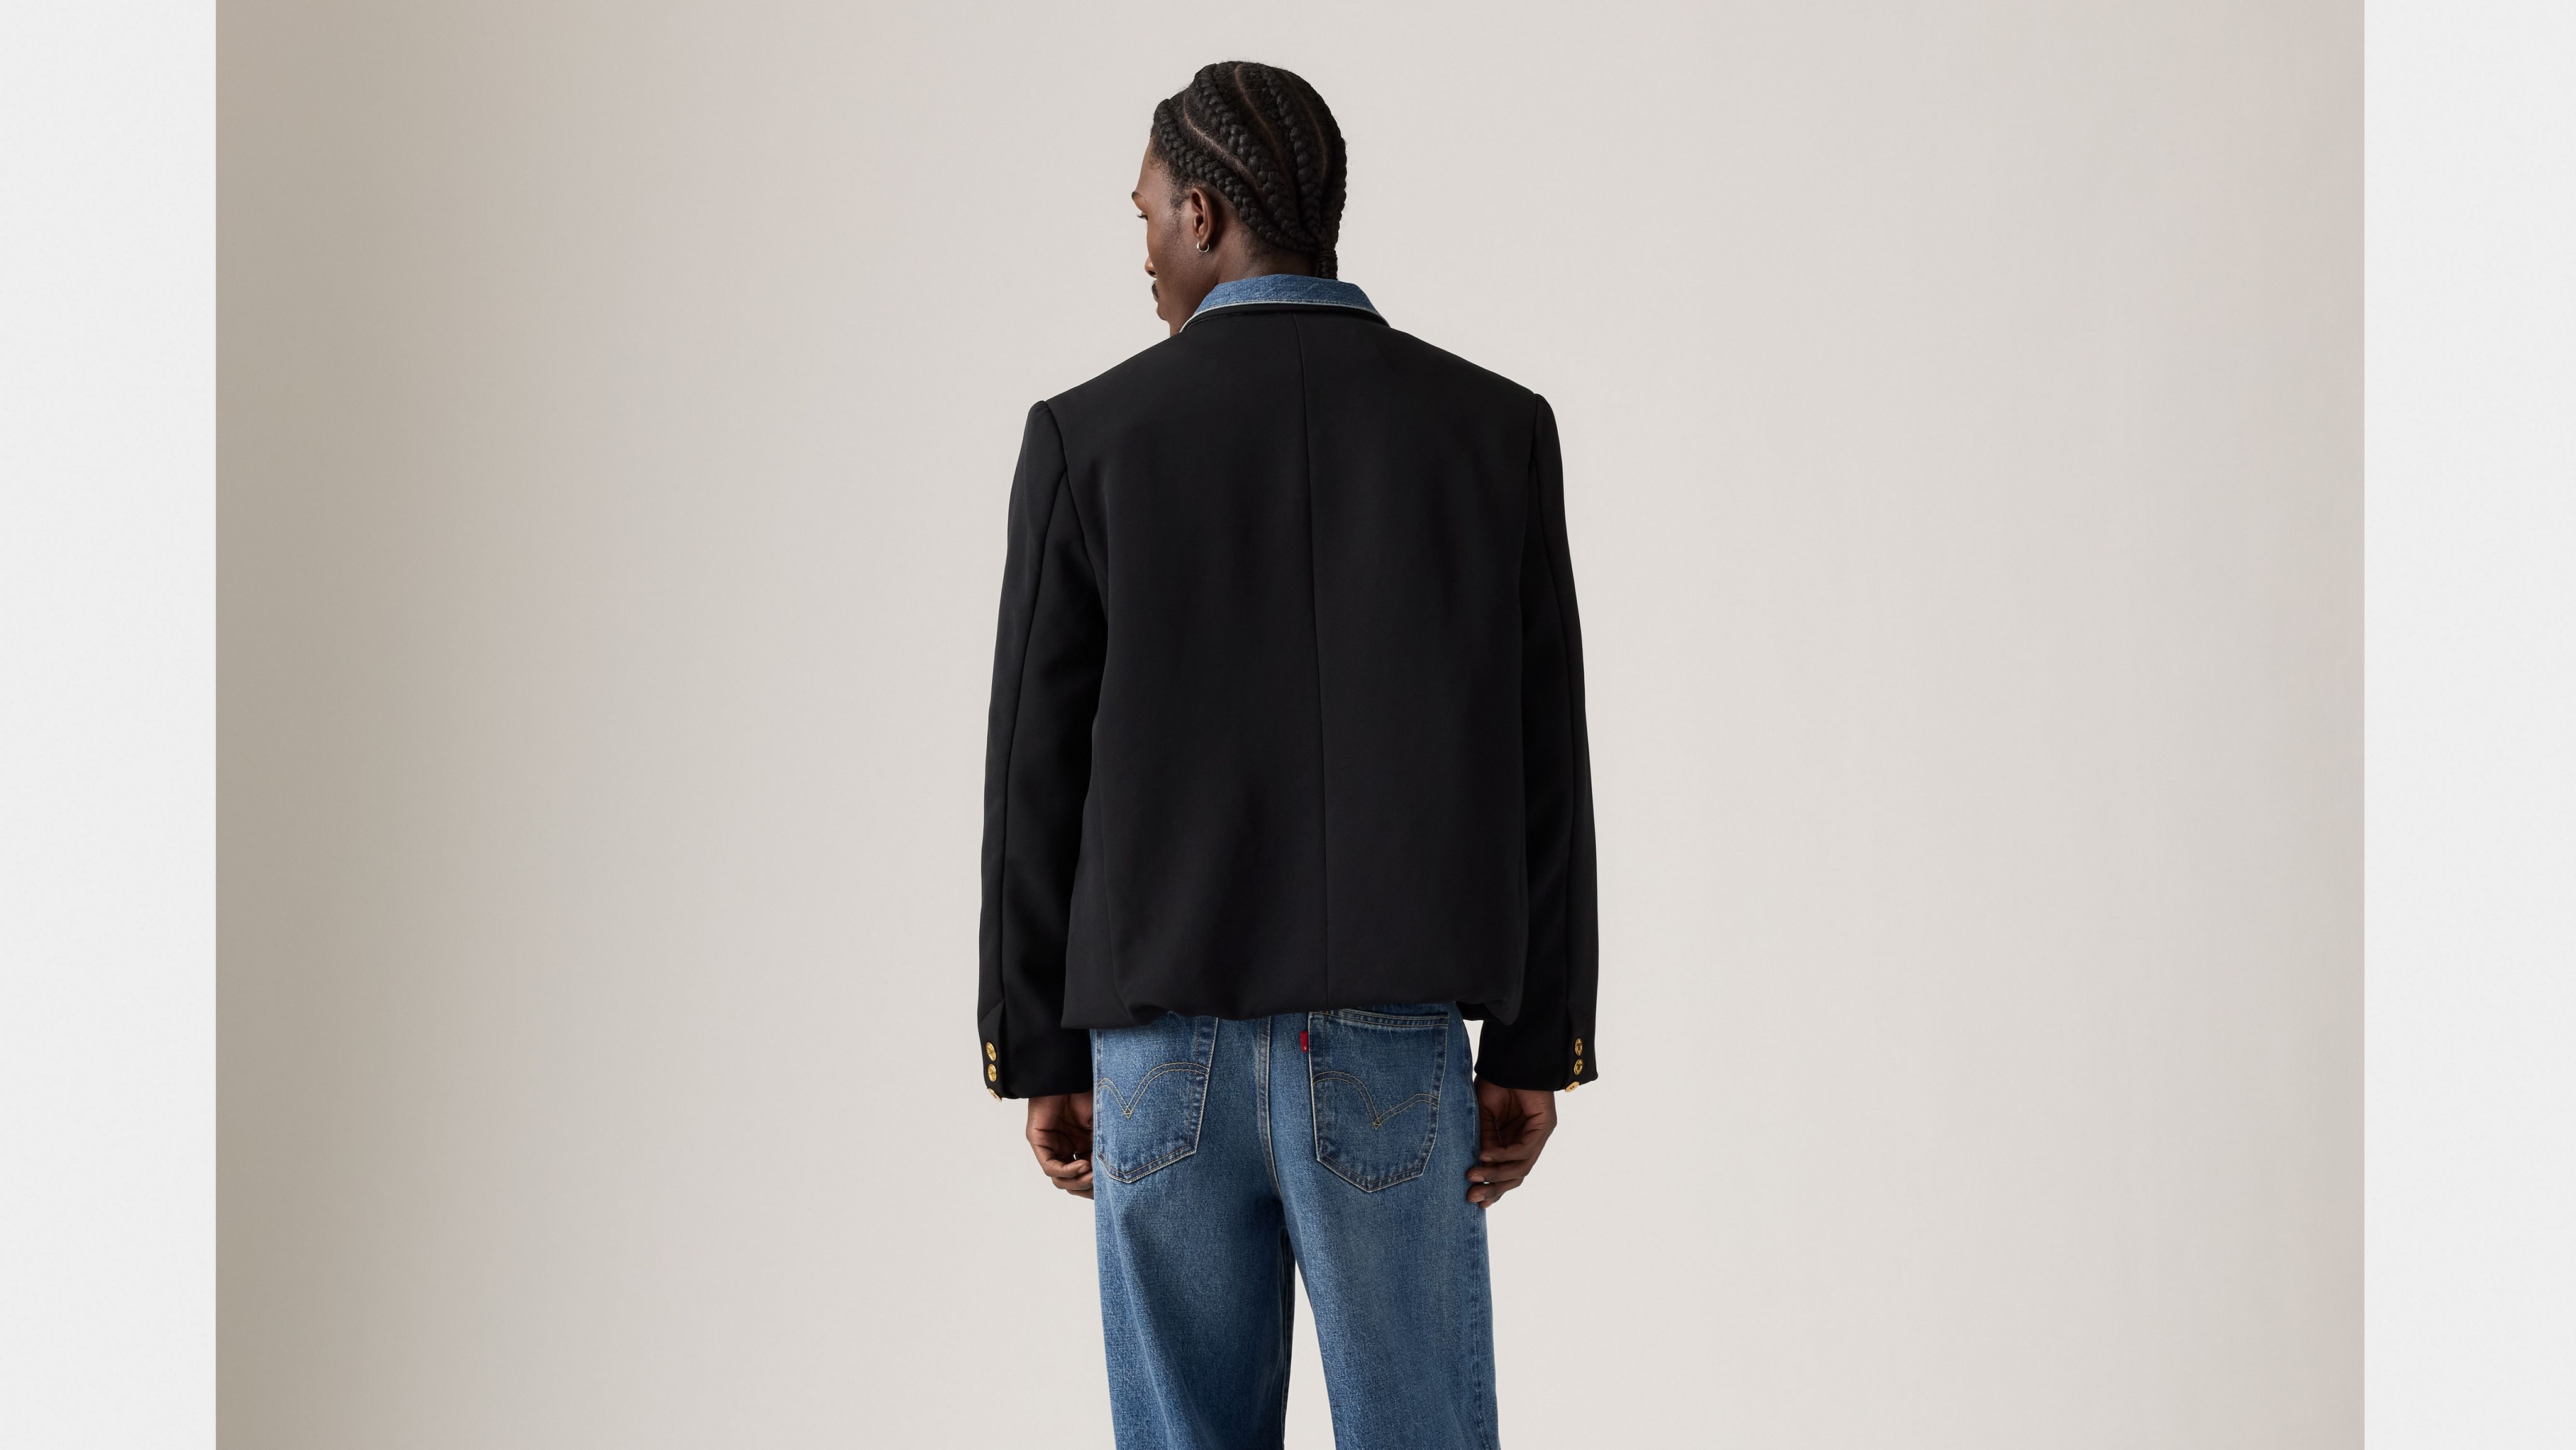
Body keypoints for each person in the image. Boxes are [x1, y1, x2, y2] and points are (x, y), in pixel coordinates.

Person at [975, 60, 1599, 1450]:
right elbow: (1541, 757)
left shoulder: (1088, 438)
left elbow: (1035, 770)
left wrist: (1036, 1043)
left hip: (1157, 1049)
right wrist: (1537, 1040)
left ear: (1203, 214)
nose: (1144, 249)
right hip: (1390, 1043)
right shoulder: (1490, 430)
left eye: (1147, 214)